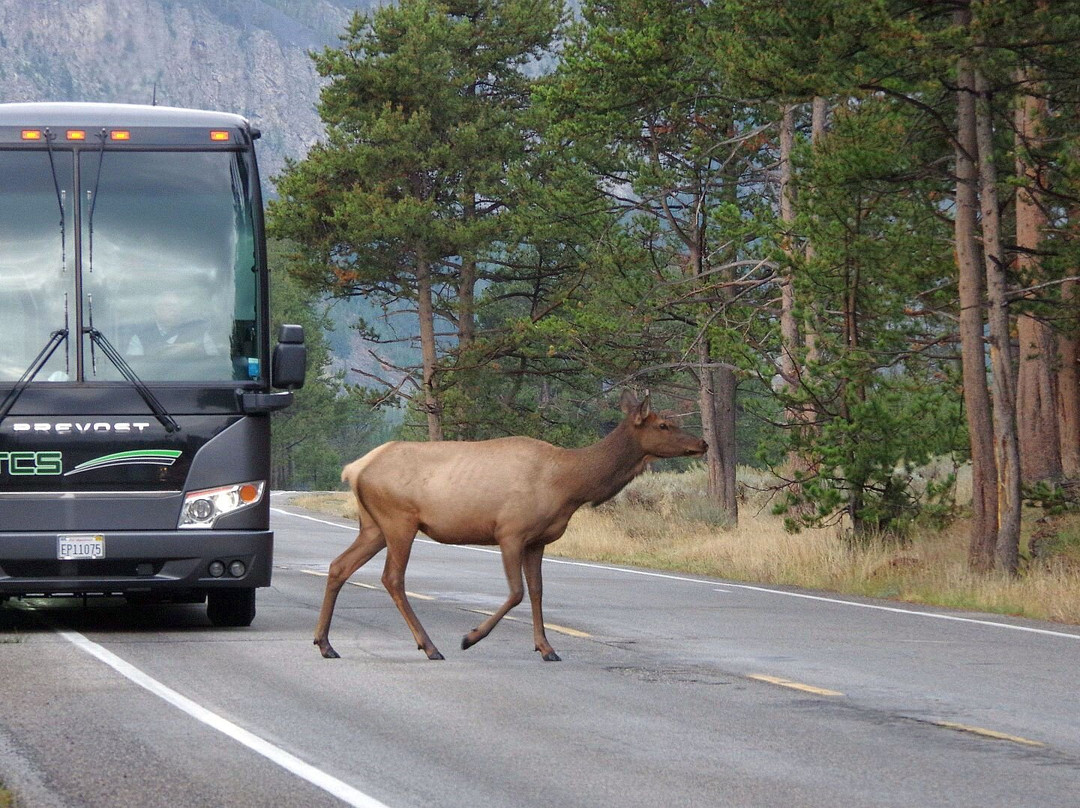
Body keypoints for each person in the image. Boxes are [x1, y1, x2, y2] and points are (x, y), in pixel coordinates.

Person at [127, 291, 219, 359]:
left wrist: (196, 350)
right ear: (157, 309)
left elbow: (215, 364)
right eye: (169, 305)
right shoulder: (140, 338)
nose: (174, 309)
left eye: (177, 305)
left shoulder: (200, 333)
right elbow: (134, 368)